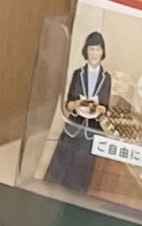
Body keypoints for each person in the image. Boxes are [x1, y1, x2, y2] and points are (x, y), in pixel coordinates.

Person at [44, 30, 112, 193]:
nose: (94, 53)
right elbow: (68, 105)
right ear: (85, 51)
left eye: (98, 49)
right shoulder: (77, 73)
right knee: (58, 178)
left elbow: (105, 107)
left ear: (103, 52)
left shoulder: (106, 77)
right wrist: (77, 104)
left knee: (79, 182)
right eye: (91, 49)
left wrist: (100, 109)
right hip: (74, 126)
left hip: (92, 130)